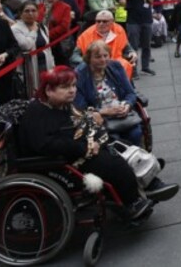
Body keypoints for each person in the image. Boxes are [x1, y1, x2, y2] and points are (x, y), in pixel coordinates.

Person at [17, 66, 154, 220]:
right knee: (114, 164)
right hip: (61, 161)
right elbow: (46, 144)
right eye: (65, 87)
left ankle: (148, 180)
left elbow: (77, 119)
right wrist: (84, 147)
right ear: (49, 90)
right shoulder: (38, 112)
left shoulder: (60, 104)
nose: (72, 90)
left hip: (77, 149)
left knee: (121, 145)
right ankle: (131, 202)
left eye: (74, 86)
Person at [74, 41, 143, 146]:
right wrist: (103, 112)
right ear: (89, 59)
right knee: (115, 140)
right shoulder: (80, 75)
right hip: (100, 119)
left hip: (122, 115)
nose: (103, 60)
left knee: (136, 134)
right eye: (97, 57)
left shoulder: (115, 66)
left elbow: (130, 93)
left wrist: (127, 105)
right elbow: (80, 107)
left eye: (105, 55)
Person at [74, 10, 137, 79]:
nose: (101, 24)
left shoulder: (119, 30)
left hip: (116, 62)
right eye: (98, 21)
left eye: (105, 21)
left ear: (112, 22)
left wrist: (132, 52)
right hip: (94, 64)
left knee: (125, 65)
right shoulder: (85, 35)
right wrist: (88, 63)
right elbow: (74, 56)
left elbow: (127, 47)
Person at [12, 1, 55, 92]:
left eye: (33, 10)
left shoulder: (42, 27)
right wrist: (33, 31)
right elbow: (26, 45)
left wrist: (52, 65)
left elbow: (48, 48)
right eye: (27, 11)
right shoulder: (15, 28)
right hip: (28, 68)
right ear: (20, 13)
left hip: (45, 64)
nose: (30, 13)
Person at [124, 0, 156, 77]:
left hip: (147, 19)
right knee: (133, 46)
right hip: (133, 20)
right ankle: (133, 70)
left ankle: (145, 67)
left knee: (146, 45)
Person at [37, 0, 73, 66]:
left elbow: (64, 26)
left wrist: (47, 35)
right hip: (41, 43)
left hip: (57, 43)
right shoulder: (39, 7)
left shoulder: (65, 7)